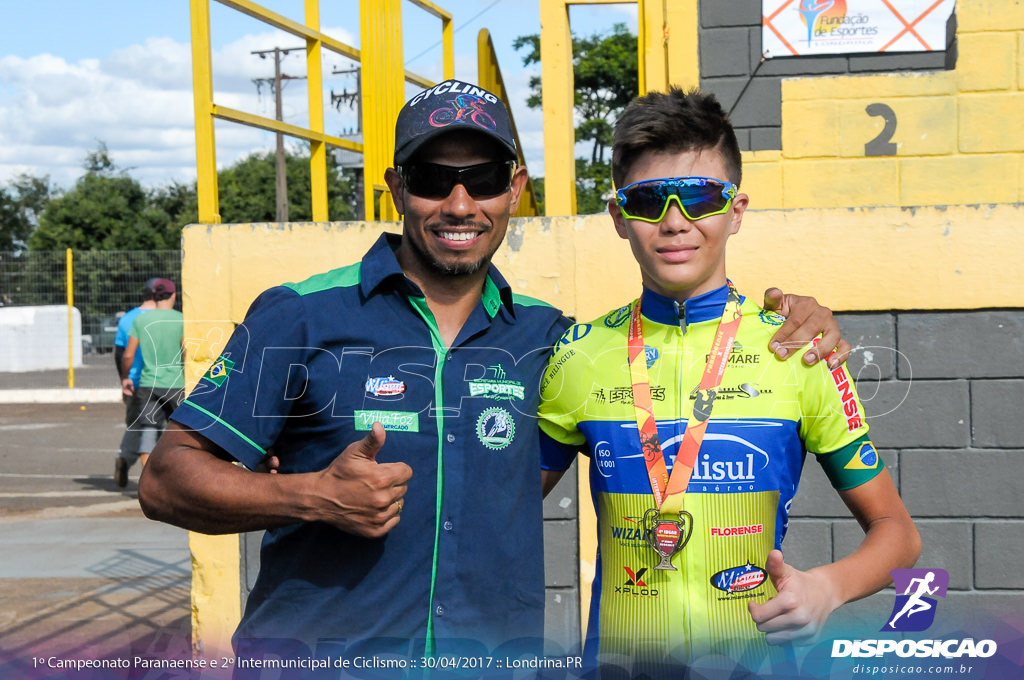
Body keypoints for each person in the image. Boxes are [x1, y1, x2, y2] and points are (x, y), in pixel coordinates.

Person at [138, 79, 854, 665]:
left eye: (480, 180)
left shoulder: (551, 339)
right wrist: (312, 497)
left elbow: (667, 346)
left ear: (513, 189)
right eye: (432, 179)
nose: (459, 204)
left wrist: (798, 312)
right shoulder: (300, 316)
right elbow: (165, 478)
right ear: (395, 186)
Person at [537, 88, 921, 677]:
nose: (674, 222)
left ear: (736, 210)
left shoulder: (798, 348)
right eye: (647, 200)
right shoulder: (581, 356)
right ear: (618, 217)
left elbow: (898, 534)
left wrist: (827, 588)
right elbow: (490, 511)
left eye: (699, 197)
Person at [121, 278, 184, 469]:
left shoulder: (141, 320)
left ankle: (147, 479)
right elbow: (187, 351)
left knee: (148, 430)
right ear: (174, 295)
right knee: (181, 432)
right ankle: (177, 476)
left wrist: (125, 377)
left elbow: (128, 355)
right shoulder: (181, 319)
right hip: (176, 384)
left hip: (148, 384)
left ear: (154, 297)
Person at [113, 280, 159, 487]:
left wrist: (124, 379)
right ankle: (154, 477)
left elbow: (120, 353)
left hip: (135, 382)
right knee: (157, 429)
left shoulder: (127, 319)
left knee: (135, 426)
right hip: (161, 381)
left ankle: (125, 457)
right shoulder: (168, 318)